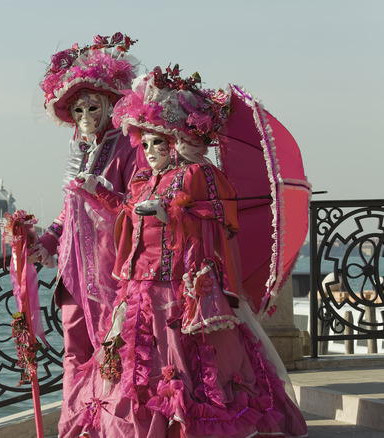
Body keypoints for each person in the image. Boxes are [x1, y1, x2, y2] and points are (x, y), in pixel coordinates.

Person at [58, 66, 308, 437]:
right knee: (137, 362)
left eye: (158, 143)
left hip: (180, 285)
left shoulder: (198, 174)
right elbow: (128, 213)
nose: (150, 151)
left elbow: (218, 216)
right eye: (145, 144)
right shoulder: (145, 180)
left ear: (176, 142)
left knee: (190, 365)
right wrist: (99, 190)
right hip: (141, 285)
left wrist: (173, 211)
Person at [29, 33, 143, 413]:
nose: (84, 118)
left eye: (91, 107)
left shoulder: (131, 148)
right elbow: (69, 210)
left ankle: (112, 421)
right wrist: (44, 241)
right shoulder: (80, 152)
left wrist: (101, 193)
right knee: (74, 348)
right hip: (73, 268)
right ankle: (75, 421)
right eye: (76, 111)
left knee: (115, 347)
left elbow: (137, 206)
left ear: (110, 105)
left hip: (114, 269)